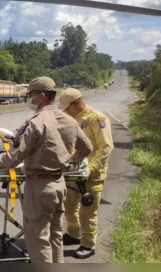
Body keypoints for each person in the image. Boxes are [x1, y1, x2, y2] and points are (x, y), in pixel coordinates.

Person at [0, 76, 93, 263]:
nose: (28, 99)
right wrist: (68, 161)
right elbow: (86, 149)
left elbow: (11, 159)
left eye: (30, 95)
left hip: (40, 187)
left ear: (41, 96)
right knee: (55, 236)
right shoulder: (69, 121)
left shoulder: (36, 122)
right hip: (59, 184)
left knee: (38, 240)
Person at [58, 88, 114, 259]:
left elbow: (105, 147)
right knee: (69, 205)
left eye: (68, 107)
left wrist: (90, 168)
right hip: (74, 171)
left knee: (87, 211)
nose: (66, 110)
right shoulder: (72, 118)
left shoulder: (97, 118)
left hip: (92, 174)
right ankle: (74, 234)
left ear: (77, 103)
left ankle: (88, 244)